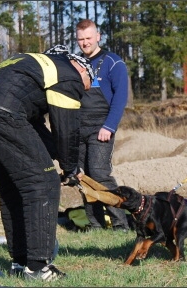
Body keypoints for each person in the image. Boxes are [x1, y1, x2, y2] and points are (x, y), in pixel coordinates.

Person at [0, 48, 94, 281]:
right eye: (87, 85)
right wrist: (70, 167)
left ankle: (20, 262)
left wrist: (57, 156)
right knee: (44, 183)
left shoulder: (35, 66)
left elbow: (34, 126)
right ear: (82, 69)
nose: (84, 91)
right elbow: (66, 128)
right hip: (2, 110)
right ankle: (38, 267)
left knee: (12, 186)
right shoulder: (68, 74)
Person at [75, 19, 130, 232]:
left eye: (88, 38)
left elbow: (120, 98)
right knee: (82, 175)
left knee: (99, 173)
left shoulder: (113, 62)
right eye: (81, 39)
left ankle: (120, 222)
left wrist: (109, 126)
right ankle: (95, 223)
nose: (85, 43)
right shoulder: (75, 63)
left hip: (101, 126)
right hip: (79, 127)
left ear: (98, 36)